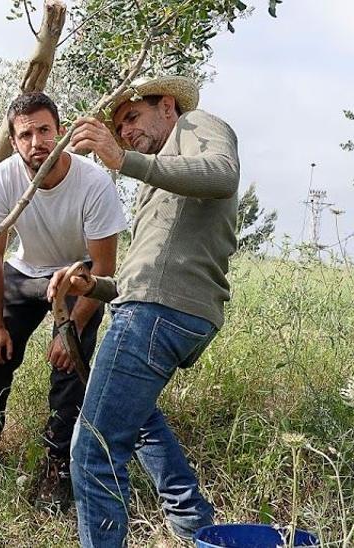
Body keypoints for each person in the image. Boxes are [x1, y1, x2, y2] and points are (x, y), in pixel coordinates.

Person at [54, 75, 240, 546]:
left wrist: (126, 161)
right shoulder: (155, 178)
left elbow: (223, 173)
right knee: (139, 425)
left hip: (157, 314)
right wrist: (90, 285)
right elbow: (143, 278)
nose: (127, 132)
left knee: (93, 450)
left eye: (132, 117)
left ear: (168, 106)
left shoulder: (197, 125)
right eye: (119, 129)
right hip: (156, 308)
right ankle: (198, 529)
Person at [0, 92, 127, 507]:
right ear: (14, 142)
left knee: (69, 366)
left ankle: (58, 463)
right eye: (25, 135)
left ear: (60, 131)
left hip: (78, 277)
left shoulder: (93, 182)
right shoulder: (1, 180)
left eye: (43, 130)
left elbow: (104, 270)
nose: (36, 142)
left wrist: (69, 330)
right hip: (25, 269)